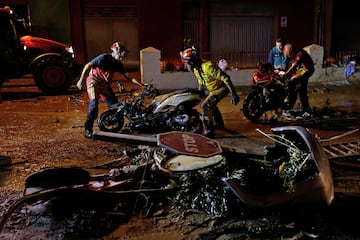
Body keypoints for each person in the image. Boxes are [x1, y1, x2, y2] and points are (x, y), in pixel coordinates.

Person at [76, 41, 142, 138]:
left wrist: (139, 83)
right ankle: (88, 129)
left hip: (103, 85)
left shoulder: (117, 64)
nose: (122, 56)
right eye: (121, 53)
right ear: (116, 51)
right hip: (93, 82)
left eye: (124, 54)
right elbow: (88, 65)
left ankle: (115, 122)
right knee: (94, 105)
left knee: (115, 105)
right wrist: (81, 80)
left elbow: (127, 75)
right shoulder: (103, 58)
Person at [180, 46, 240, 138]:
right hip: (213, 90)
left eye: (187, 63)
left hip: (222, 88)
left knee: (206, 106)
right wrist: (198, 93)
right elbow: (201, 82)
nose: (187, 66)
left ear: (193, 61)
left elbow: (226, 78)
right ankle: (219, 124)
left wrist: (233, 94)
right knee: (211, 104)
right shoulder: (196, 69)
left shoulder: (208, 67)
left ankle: (209, 131)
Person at [281, 43, 314, 119]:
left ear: (292, 52)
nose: (289, 57)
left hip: (306, 70)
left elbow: (294, 65)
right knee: (300, 88)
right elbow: (289, 64)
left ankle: (292, 104)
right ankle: (305, 108)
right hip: (300, 69)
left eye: (289, 55)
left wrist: (287, 73)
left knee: (293, 83)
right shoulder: (292, 54)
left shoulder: (299, 54)